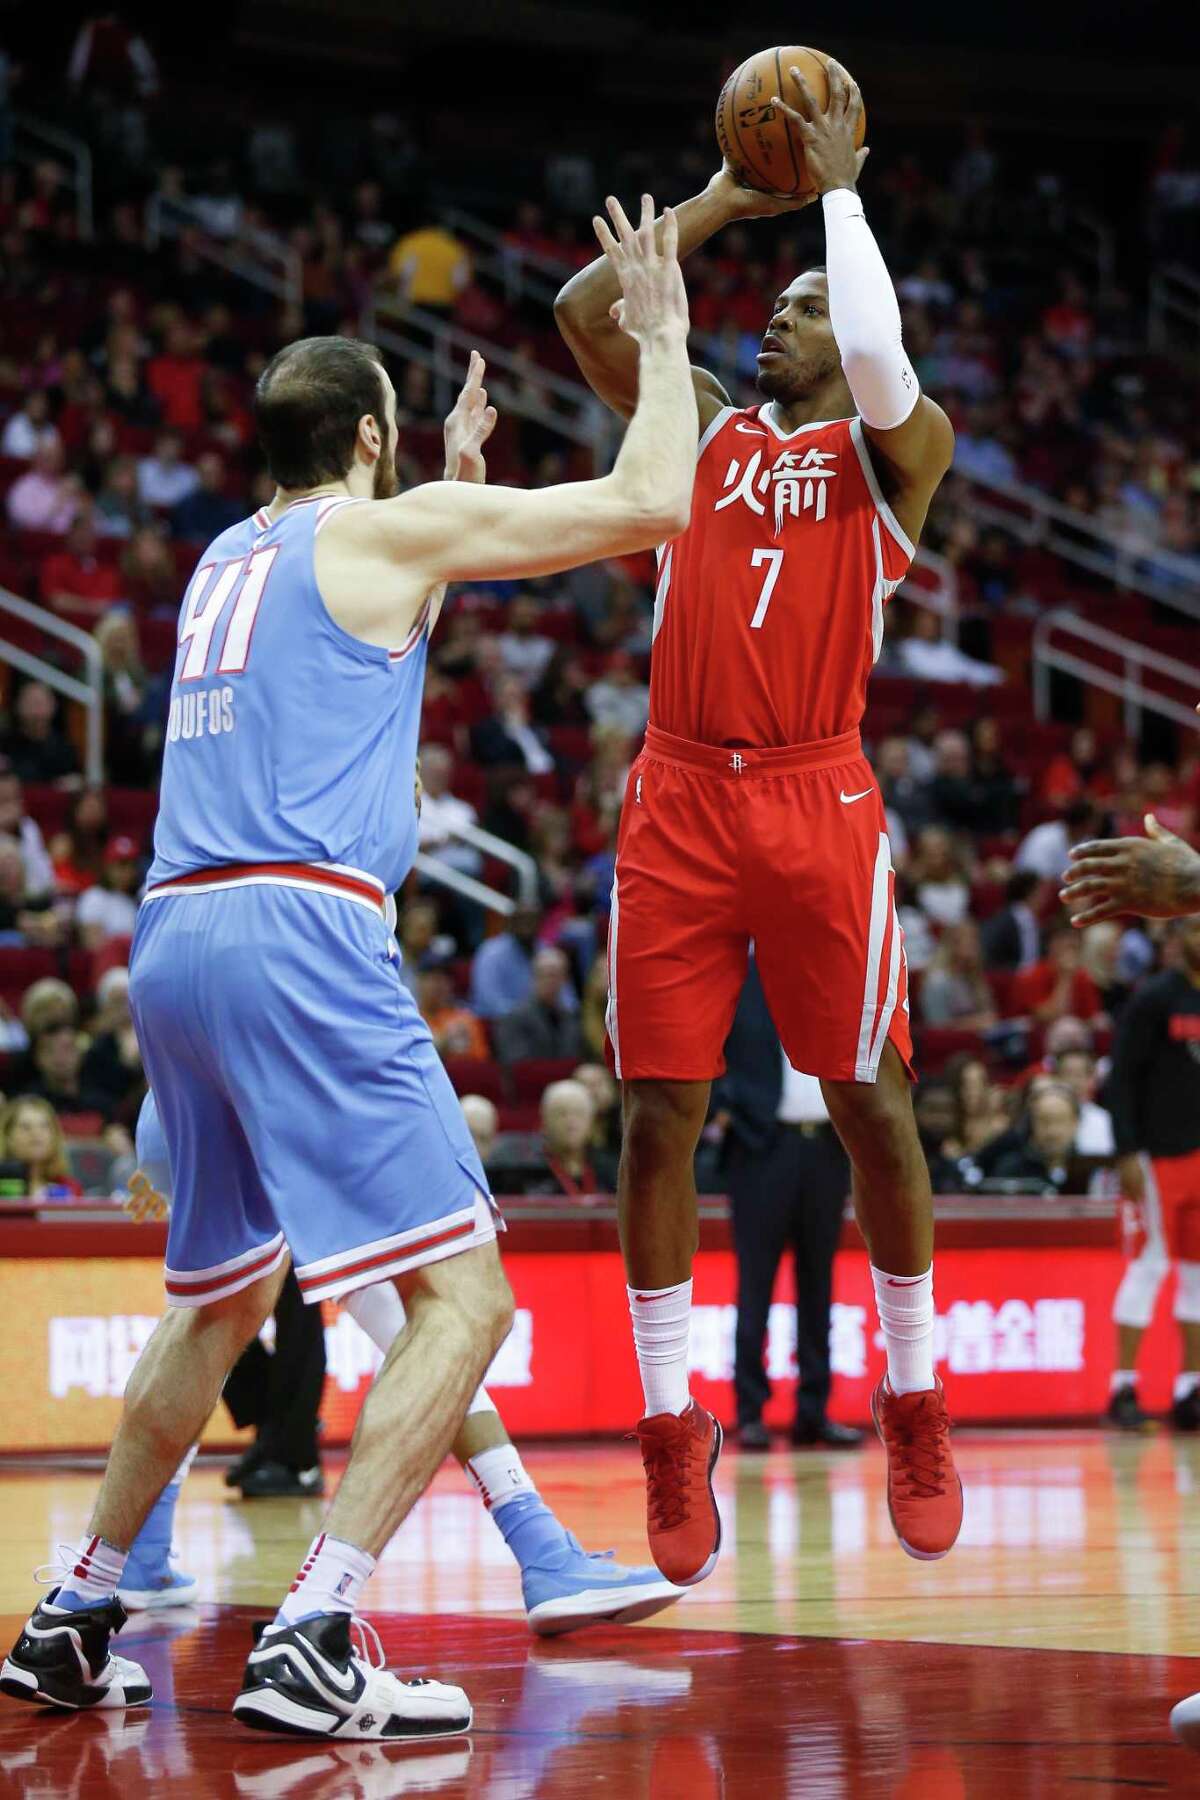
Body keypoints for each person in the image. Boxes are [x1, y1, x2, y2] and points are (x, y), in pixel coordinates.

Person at [1, 200, 696, 1735]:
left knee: (216, 1306)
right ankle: (316, 1627)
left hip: (174, 939)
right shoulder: (373, 531)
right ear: (372, 438)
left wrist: (456, 487)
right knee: (468, 1299)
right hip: (300, 939)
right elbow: (654, 500)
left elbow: (376, 628)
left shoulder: (222, 561)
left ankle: (75, 1610)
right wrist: (660, 342)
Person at [555, 62, 962, 1583]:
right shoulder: (704, 430)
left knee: (871, 1103)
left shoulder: (896, 452)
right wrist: (728, 197)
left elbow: (877, 350)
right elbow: (583, 315)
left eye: (799, 308)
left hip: (816, 792)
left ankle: (911, 1393)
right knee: (658, 1114)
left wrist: (842, 195)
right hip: (676, 793)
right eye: (771, 306)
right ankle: (672, 1424)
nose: (770, 322)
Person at [121, 1089, 677, 1626]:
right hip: (288, 1116)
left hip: (175, 1113)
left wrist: (158, 1143)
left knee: (208, 1327)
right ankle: (542, 1549)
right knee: (436, 1329)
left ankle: (141, 1551)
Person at [719, 958, 863, 1451]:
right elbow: (711, 1051)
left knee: (819, 1282)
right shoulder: (738, 977)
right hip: (763, 1147)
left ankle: (813, 1411)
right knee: (755, 1283)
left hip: (826, 1147)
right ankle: (750, 1411)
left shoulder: (831, 973)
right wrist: (731, 1110)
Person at [1103, 916, 1200, 1433]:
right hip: (1156, 1156)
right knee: (1150, 1263)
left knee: (1197, 1272)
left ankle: (1190, 1389)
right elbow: (1120, 1078)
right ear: (1178, 939)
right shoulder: (1154, 998)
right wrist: (1125, 1152)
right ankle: (1122, 1388)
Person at [984, 1083, 1086, 1194]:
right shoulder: (1010, 1171)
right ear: (1032, 1123)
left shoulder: (1090, 1170)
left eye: (1060, 1120)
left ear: (1075, 1123)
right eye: (1044, 1121)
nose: (1052, 1131)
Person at [493, 946, 584, 1065]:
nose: (550, 981)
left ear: (564, 979)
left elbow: (577, 1059)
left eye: (555, 975)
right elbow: (517, 1065)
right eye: (544, 975)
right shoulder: (514, 1018)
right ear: (533, 977)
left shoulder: (571, 1018)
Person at [0, 1094, 83, 1197]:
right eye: (25, 1127)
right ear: (7, 1136)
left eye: (44, 1126)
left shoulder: (70, 1188)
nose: (36, 1133)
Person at [919, 921, 997, 1029]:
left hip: (982, 1035)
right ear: (953, 944)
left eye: (976, 940)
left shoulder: (971, 976)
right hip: (953, 1038)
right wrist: (976, 1023)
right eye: (970, 941)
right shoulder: (937, 982)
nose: (976, 947)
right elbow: (938, 1027)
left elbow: (988, 1014)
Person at [2, 681, 81, 786]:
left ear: (53, 706)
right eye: (30, 703)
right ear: (18, 706)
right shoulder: (4, 743)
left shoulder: (65, 748)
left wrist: (74, 782)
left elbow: (77, 779)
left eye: (40, 703)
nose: (36, 711)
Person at [76, 835, 142, 948]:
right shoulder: (94, 897)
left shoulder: (138, 899)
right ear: (108, 866)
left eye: (132, 865)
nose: (128, 872)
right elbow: (93, 945)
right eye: (122, 864)